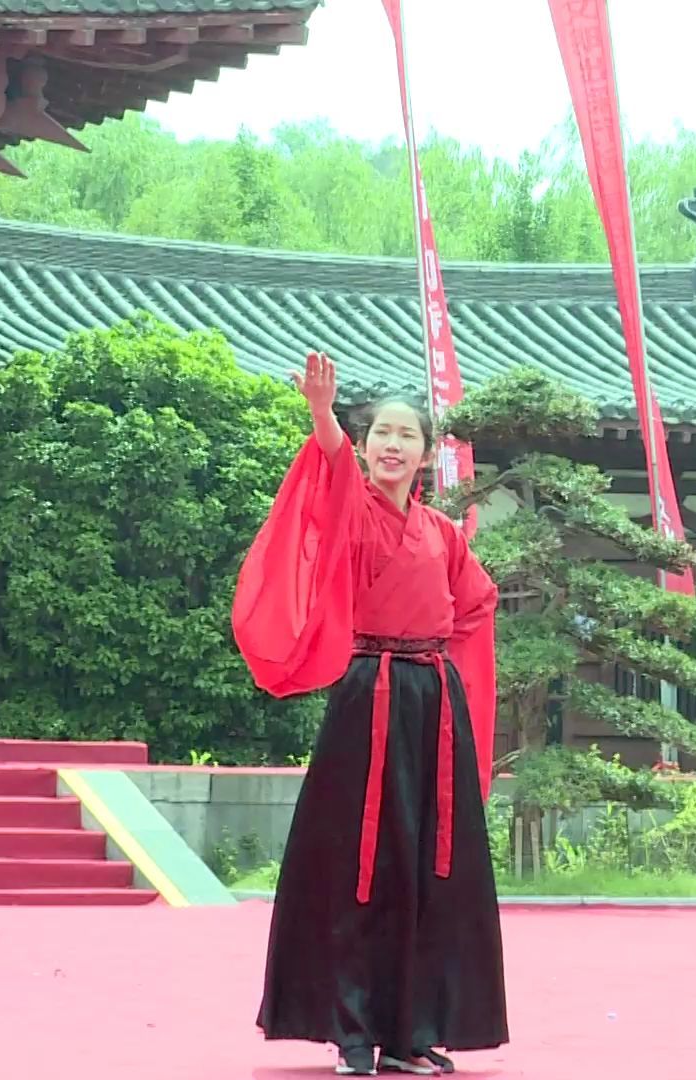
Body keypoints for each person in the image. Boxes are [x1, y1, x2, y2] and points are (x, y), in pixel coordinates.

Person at [234, 351, 508, 1076]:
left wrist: (450, 670)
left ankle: (411, 1031)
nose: (391, 444)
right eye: (380, 432)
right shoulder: (351, 503)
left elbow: (477, 604)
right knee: (361, 865)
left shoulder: (445, 535)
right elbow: (328, 468)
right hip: (369, 695)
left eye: (406, 435)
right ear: (366, 446)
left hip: (430, 704)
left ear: (426, 451)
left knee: (425, 865)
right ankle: (353, 1029)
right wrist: (323, 414)